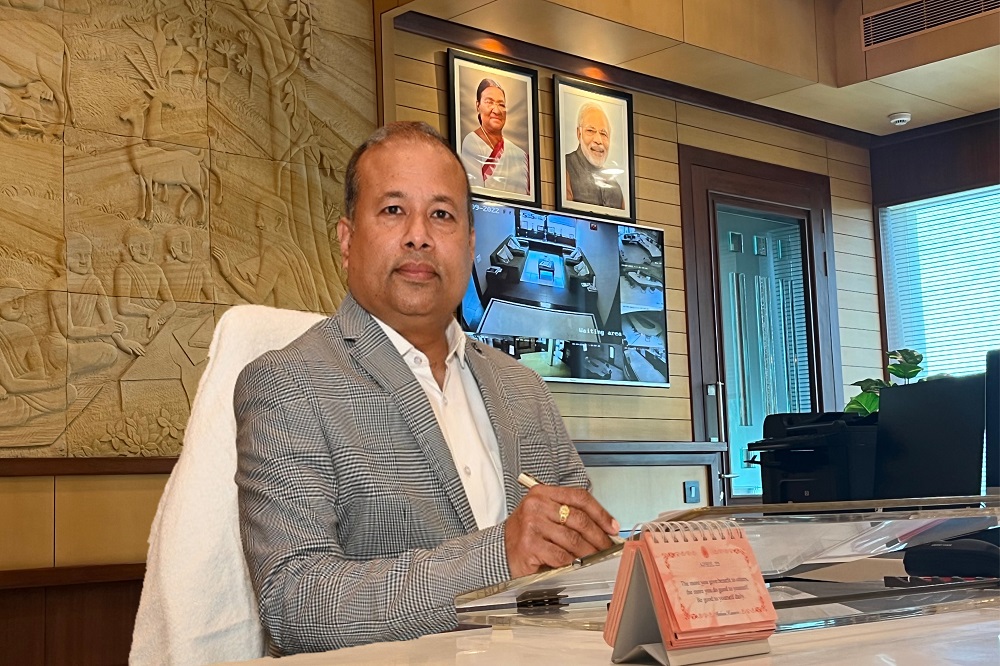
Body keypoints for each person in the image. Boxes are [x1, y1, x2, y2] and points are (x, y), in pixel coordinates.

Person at [234, 121, 619, 655]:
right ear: (347, 241)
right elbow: (294, 604)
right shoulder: (288, 383)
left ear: (470, 244)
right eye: (393, 210)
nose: (419, 235)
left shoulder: (525, 388)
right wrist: (497, 557)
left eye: (441, 215)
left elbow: (585, 562)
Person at [43, 232, 145, 378]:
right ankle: (59, 372)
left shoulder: (94, 282)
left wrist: (122, 343)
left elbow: (109, 323)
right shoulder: (58, 286)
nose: (83, 260)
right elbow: (68, 331)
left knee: (120, 335)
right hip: (60, 345)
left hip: (83, 340)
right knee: (109, 352)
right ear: (66, 257)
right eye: (77, 255)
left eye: (87, 255)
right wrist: (101, 331)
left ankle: (68, 371)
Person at [212, 196, 320, 311]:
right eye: (257, 217)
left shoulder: (275, 252)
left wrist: (228, 274)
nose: (258, 223)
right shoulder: (295, 251)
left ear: (278, 222)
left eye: (262, 217)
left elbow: (257, 297)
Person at [0, 279, 74, 427]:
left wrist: (19, 384)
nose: (17, 305)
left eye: (20, 299)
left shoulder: (25, 332)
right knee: (12, 408)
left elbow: (38, 372)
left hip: (19, 392)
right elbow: (11, 385)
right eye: (10, 300)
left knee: (69, 392)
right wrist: (51, 383)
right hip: (12, 396)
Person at [459, 78, 531, 196]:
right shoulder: (472, 142)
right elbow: (475, 194)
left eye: (501, 104)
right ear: (478, 106)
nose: (497, 111)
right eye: (489, 102)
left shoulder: (519, 154)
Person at [114, 226, 176, 341]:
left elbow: (171, 303)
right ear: (131, 249)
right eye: (139, 247)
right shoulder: (124, 269)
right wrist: (149, 313)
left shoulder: (156, 270)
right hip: (138, 318)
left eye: (148, 247)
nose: (144, 251)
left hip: (157, 316)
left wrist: (157, 315)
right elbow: (123, 306)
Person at [564, 102, 624, 209]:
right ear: (579, 134)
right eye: (590, 131)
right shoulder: (566, 167)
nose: (598, 140)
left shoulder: (616, 187)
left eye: (603, 133)